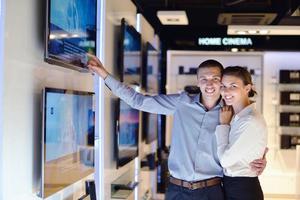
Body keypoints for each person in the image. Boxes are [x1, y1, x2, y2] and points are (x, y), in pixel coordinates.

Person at [87, 55, 266, 200]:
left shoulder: (231, 113)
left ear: (222, 82)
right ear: (197, 82)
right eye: (203, 79)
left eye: (215, 79)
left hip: (211, 191)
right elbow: (138, 101)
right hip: (176, 191)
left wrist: (262, 158)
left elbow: (250, 139)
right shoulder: (181, 102)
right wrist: (105, 75)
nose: (209, 84)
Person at [216, 66, 267, 200]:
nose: (226, 91)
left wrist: (223, 125)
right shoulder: (234, 115)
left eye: (233, 86)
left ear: (247, 88)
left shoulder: (248, 120)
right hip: (233, 185)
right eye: (223, 86)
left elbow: (226, 161)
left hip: (243, 189)